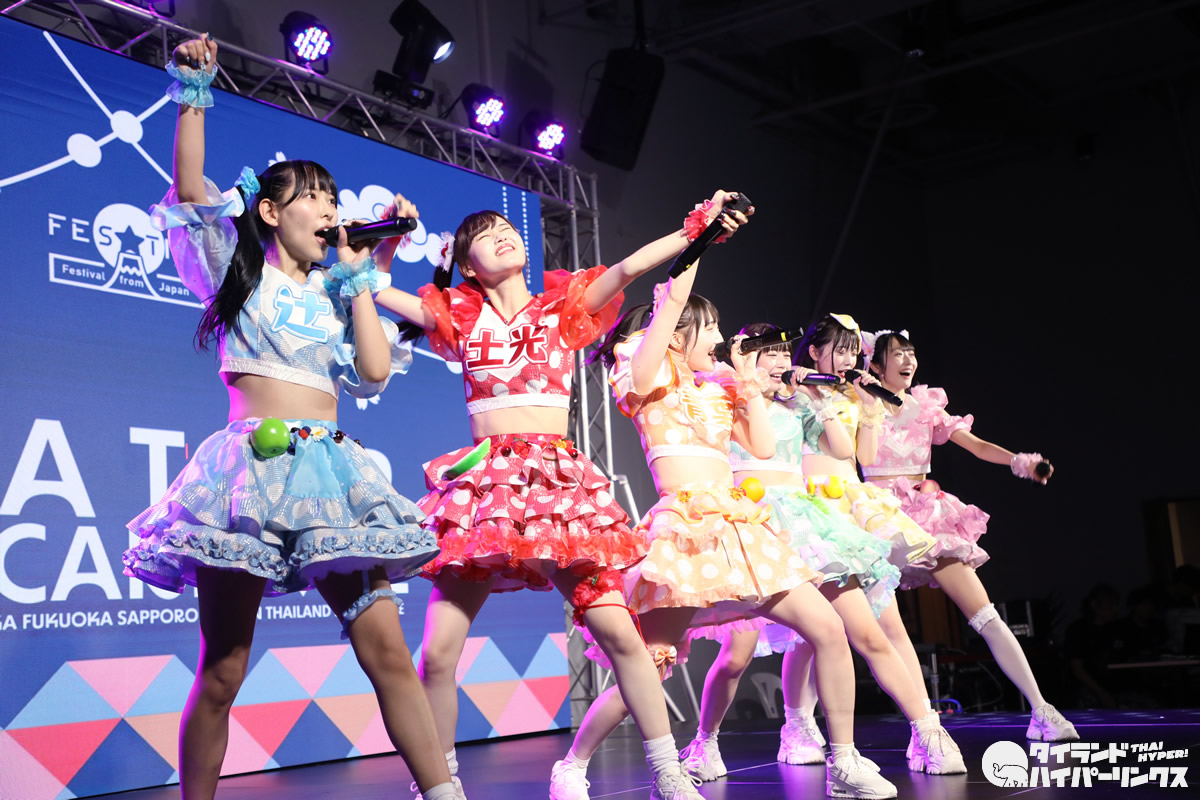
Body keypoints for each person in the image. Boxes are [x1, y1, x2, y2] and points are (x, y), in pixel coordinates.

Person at [122, 36, 461, 800]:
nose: (330, 210)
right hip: (247, 475)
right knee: (224, 669)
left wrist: (361, 278)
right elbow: (189, 187)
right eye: (314, 197)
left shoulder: (337, 291)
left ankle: (443, 795)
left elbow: (374, 370)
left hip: (329, 475)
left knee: (389, 655)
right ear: (271, 212)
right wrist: (195, 92)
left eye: (335, 200)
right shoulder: (237, 274)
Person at [372, 192, 752, 799]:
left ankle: (669, 773)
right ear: (466, 264)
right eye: (485, 233)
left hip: (559, 490)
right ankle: (438, 787)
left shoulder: (560, 306)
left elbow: (629, 267)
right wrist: (389, 237)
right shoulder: (458, 314)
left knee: (623, 636)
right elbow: (371, 286)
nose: (502, 234)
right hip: (487, 496)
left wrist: (697, 231)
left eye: (506, 227)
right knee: (437, 654)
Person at [546, 269, 899, 800]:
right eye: (709, 328)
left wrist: (749, 386)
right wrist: (685, 272)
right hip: (686, 530)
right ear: (678, 335)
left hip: (740, 529)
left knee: (828, 628)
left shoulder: (718, 388)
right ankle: (573, 765)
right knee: (651, 662)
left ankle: (844, 762)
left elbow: (761, 446)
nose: (719, 337)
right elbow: (660, 329)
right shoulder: (645, 376)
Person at [679, 323, 965, 781]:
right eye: (769, 354)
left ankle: (925, 733)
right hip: (753, 526)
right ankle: (704, 743)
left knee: (866, 633)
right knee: (735, 657)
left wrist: (822, 400)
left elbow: (844, 448)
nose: (779, 362)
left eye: (783, 354)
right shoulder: (726, 397)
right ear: (747, 359)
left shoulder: (798, 401)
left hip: (803, 523)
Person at [862, 329, 1078, 741]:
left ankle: (1041, 710)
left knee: (986, 615)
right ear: (875, 363)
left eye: (911, 353)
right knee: (873, 628)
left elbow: (976, 445)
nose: (908, 360)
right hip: (875, 518)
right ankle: (921, 728)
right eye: (897, 354)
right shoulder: (858, 403)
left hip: (925, 515)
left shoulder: (925, 407)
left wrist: (1020, 462)